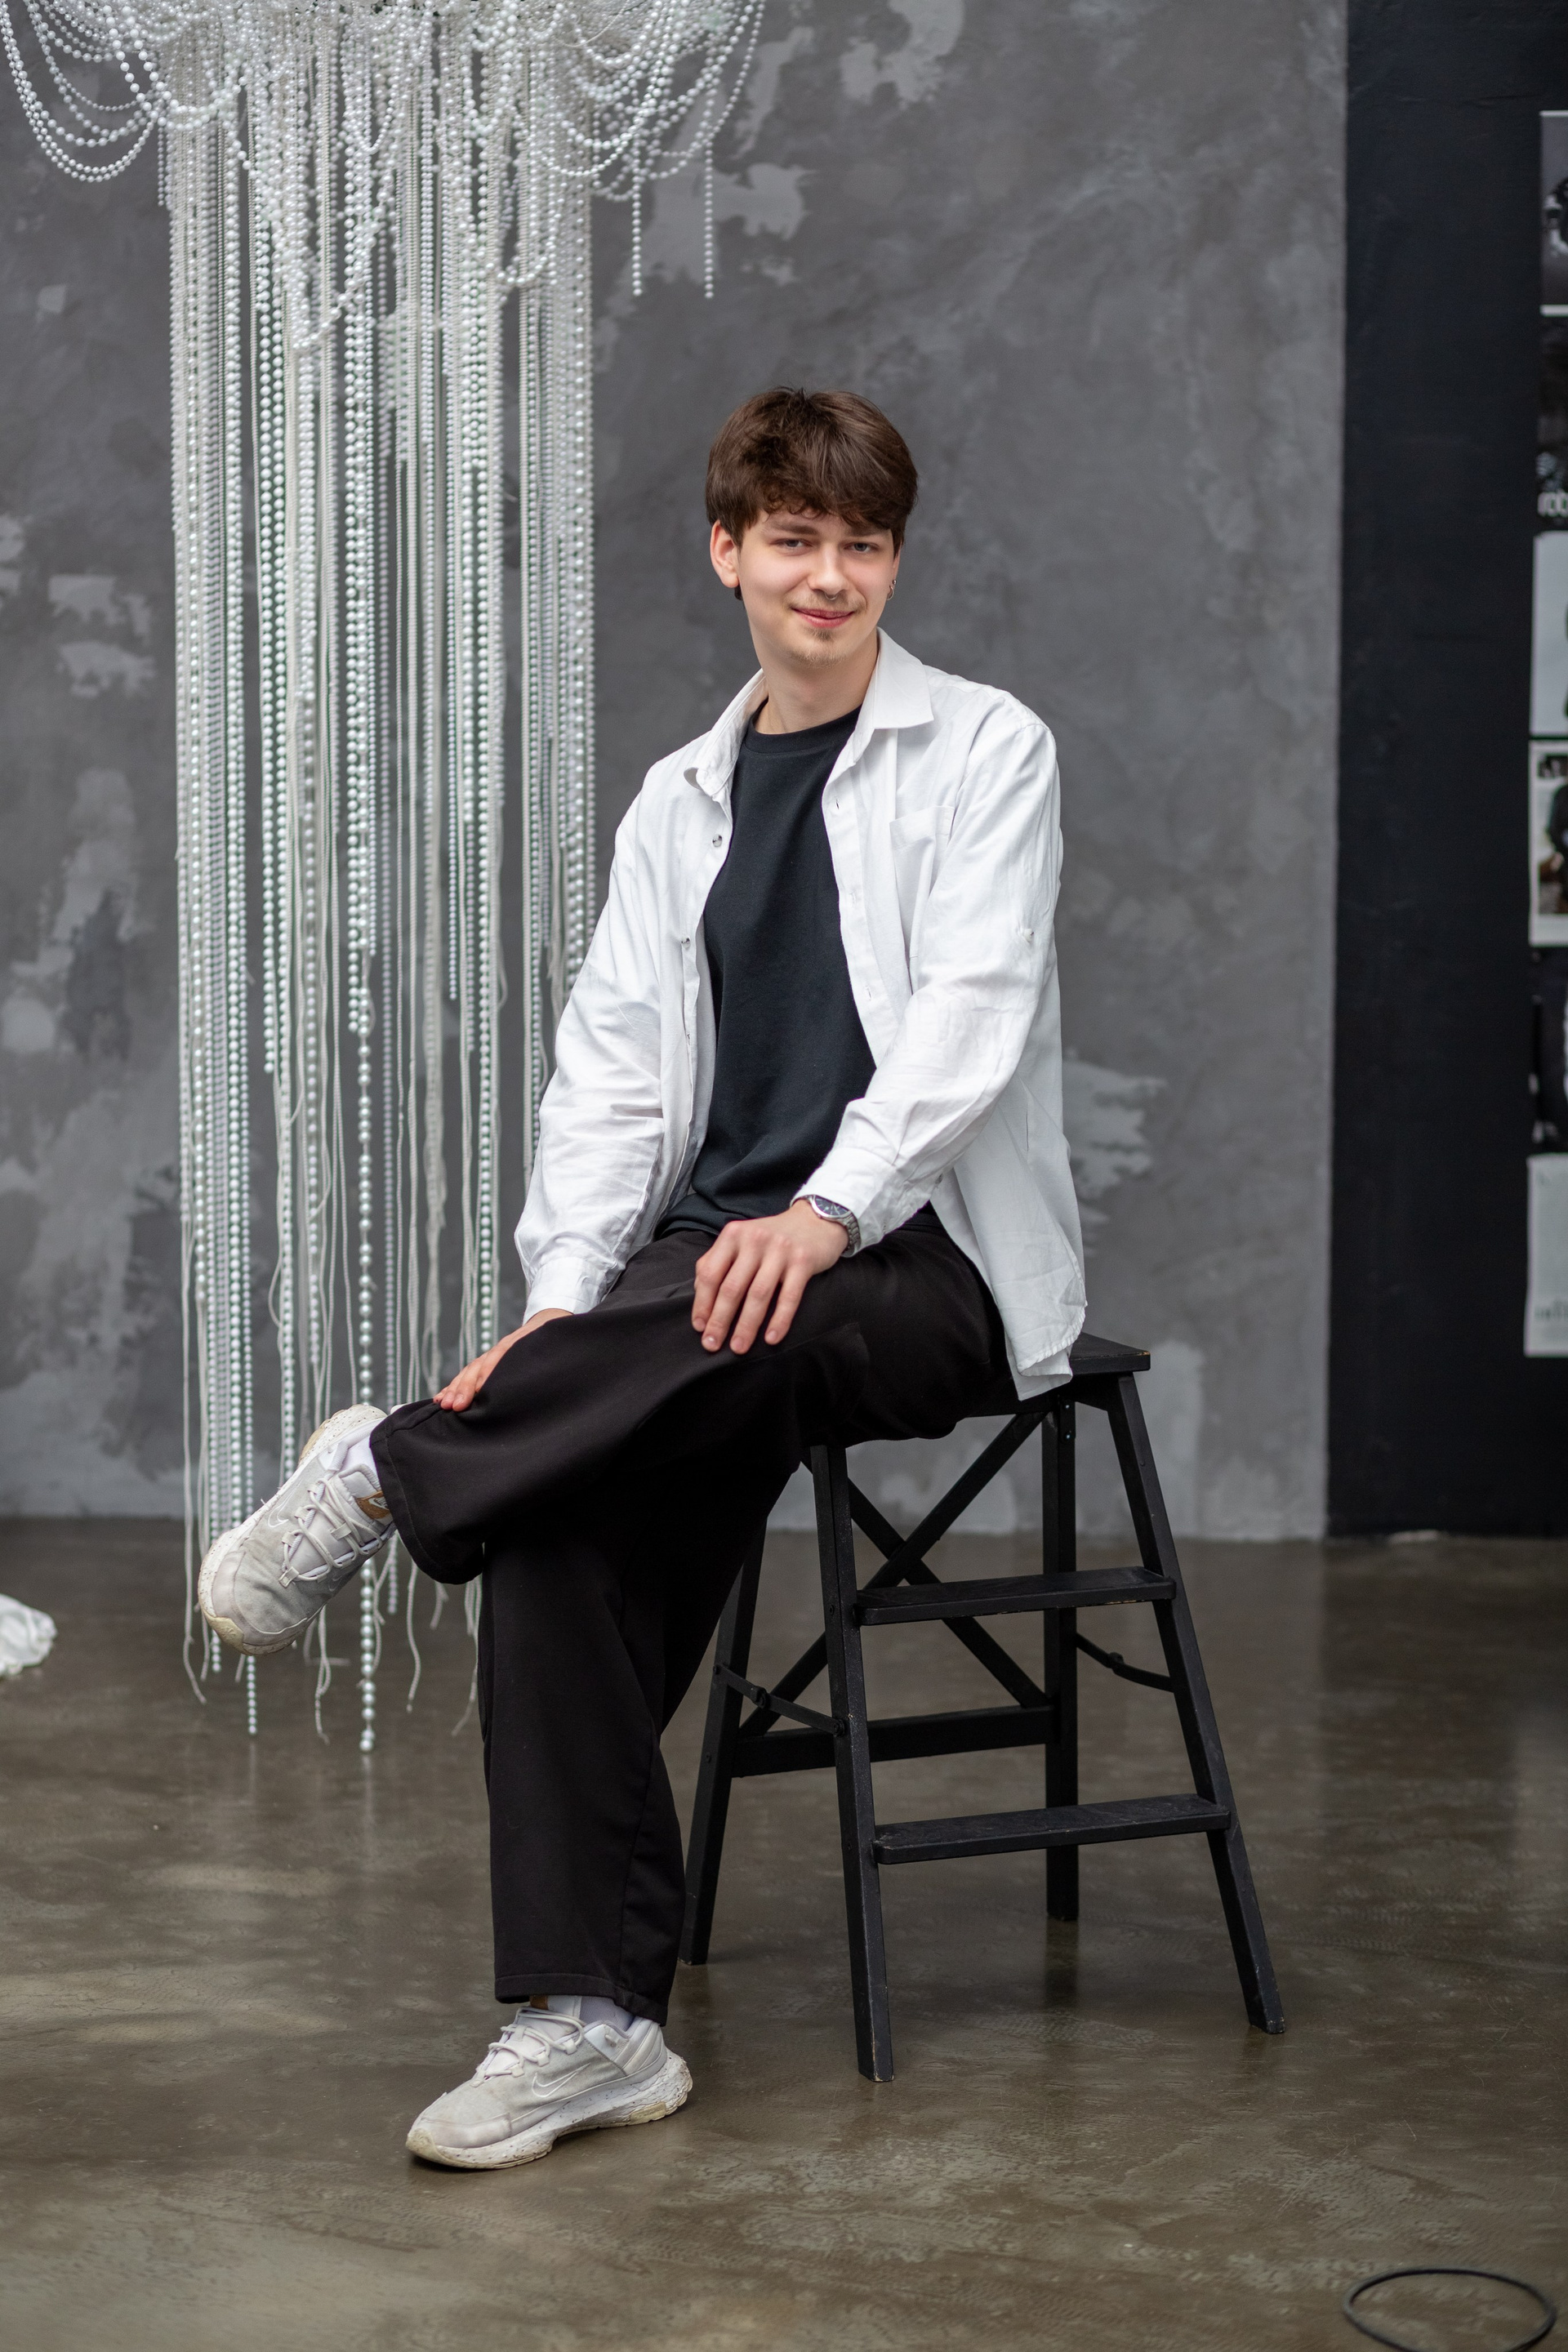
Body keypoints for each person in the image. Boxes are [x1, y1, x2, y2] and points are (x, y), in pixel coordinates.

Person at [199, 386, 1085, 2169]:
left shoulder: (989, 748)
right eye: (794, 540)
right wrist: (561, 1304)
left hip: (922, 1264)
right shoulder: (684, 801)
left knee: (675, 1339)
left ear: (892, 560)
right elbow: (608, 1076)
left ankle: (385, 1468)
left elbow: (971, 1023)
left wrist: (827, 1210)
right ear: (727, 550)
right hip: (709, 1285)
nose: (829, 576)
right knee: (553, 1501)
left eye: (863, 544)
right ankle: (589, 2024)